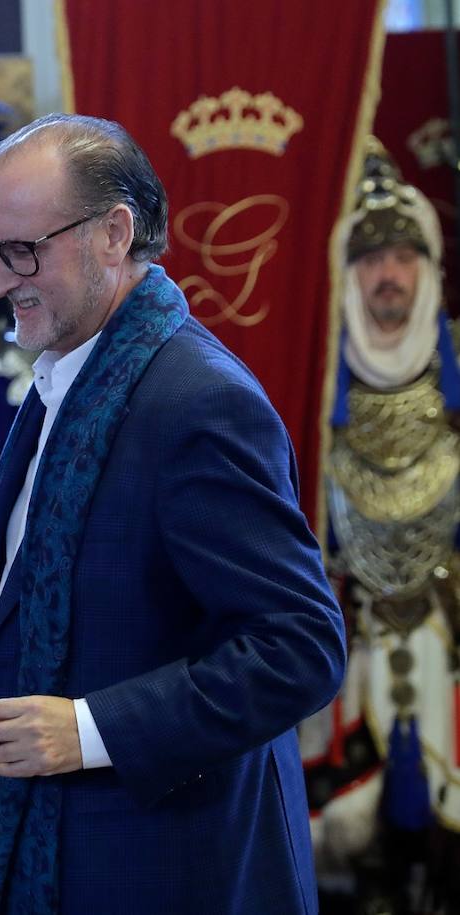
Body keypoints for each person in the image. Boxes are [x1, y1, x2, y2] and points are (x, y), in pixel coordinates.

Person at [0, 113, 346, 913]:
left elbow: (302, 645)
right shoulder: (71, 368)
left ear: (115, 233)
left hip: (167, 866)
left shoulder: (200, 401)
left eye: (22, 252)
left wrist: (90, 728)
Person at [300, 139, 460, 914]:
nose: (389, 276)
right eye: (372, 261)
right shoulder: (310, 388)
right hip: (348, 641)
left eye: (403, 258)